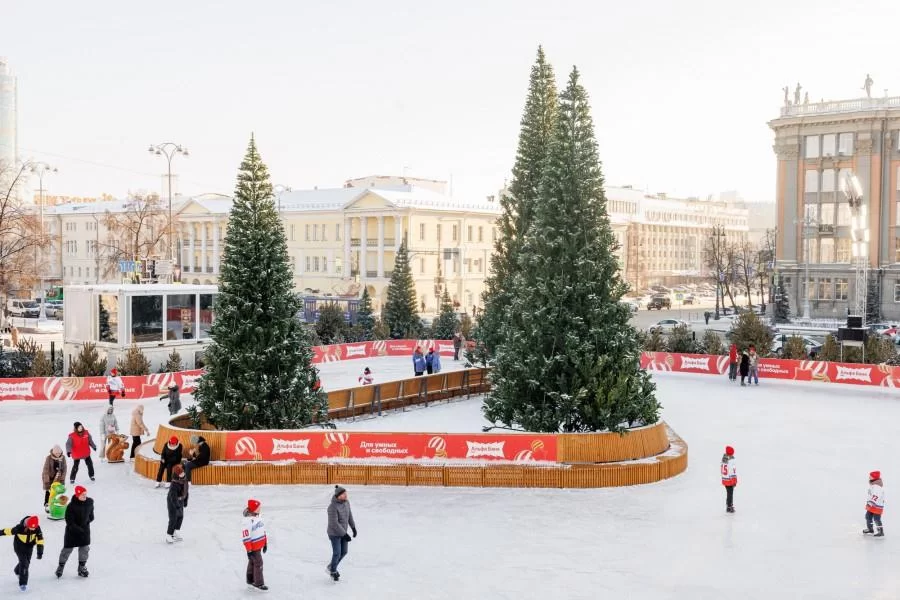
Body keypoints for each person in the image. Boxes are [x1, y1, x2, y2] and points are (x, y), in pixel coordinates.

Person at [56, 485, 93, 579]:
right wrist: (78, 529)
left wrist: (86, 523)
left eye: (85, 494)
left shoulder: (89, 503)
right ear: (77, 495)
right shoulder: (71, 506)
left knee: (84, 549)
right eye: (82, 495)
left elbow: (91, 516)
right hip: (72, 532)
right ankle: (61, 567)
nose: (85, 496)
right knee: (67, 550)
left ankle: (81, 568)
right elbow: (69, 521)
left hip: (84, 531)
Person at [1, 515, 44, 591]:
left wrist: (40, 552)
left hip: (29, 546)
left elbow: (40, 539)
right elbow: (8, 531)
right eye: (31, 527)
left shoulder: (37, 528)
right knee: (24, 564)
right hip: (19, 547)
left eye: (34, 527)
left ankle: (17, 571)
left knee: (26, 562)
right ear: (27, 524)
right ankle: (23, 583)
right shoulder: (19, 528)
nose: (33, 529)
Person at [326, 485, 357, 582]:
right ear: (338, 496)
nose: (346, 496)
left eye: (346, 493)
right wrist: (344, 534)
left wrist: (353, 527)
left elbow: (349, 515)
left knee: (344, 552)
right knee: (337, 553)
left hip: (343, 532)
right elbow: (334, 523)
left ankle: (331, 567)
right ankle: (333, 571)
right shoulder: (332, 507)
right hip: (334, 533)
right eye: (343, 494)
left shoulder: (347, 503)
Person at [241, 498, 268, 591]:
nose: (260, 509)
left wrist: (265, 543)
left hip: (258, 546)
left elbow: (262, 530)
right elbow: (246, 537)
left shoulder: (258, 517)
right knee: (259, 563)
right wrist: (249, 550)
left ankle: (250, 579)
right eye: (258, 507)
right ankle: (259, 583)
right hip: (253, 547)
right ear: (253, 509)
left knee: (253, 562)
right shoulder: (248, 521)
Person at [166, 464, 189, 543]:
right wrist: (176, 505)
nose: (183, 474)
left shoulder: (184, 480)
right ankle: (169, 535)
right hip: (173, 502)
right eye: (181, 474)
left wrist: (185, 501)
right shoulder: (174, 484)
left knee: (180, 516)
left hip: (180, 501)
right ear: (177, 475)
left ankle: (176, 531)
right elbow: (173, 496)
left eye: (183, 473)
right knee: (173, 518)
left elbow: (186, 492)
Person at [41, 445, 67, 512]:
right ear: (53, 453)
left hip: (58, 478)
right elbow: (45, 470)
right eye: (56, 453)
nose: (58, 455)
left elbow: (64, 469)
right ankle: (47, 505)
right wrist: (47, 482)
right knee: (49, 491)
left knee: (58, 492)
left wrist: (62, 479)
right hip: (49, 478)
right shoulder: (49, 458)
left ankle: (56, 505)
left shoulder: (63, 458)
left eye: (59, 453)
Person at [864, 470, 885, 537]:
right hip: (871, 505)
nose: (869, 477)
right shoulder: (873, 485)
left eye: (871, 476)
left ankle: (880, 532)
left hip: (877, 506)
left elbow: (876, 496)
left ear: (874, 478)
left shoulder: (877, 487)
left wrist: (870, 503)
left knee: (876, 518)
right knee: (868, 516)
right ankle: (870, 529)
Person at [721, 446, 737, 513]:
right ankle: (729, 507)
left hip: (725, 479)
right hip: (730, 480)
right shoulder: (731, 461)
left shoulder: (724, 460)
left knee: (728, 493)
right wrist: (734, 481)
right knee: (730, 493)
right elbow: (732, 471)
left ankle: (728, 505)